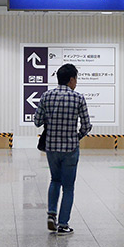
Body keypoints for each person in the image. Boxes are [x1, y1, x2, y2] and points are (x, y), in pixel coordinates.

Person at [33, 63, 92, 236]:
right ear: (71, 79)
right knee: (68, 187)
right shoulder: (78, 98)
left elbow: (37, 121)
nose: (76, 83)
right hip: (70, 149)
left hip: (51, 148)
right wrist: (77, 136)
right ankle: (63, 224)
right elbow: (87, 125)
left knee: (54, 180)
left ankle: (52, 214)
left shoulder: (46, 96)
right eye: (76, 79)